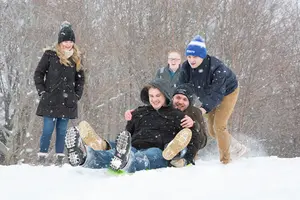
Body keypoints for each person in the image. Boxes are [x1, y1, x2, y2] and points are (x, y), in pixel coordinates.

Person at [65, 79, 200, 172]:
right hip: (134, 146)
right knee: (114, 154)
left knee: (145, 158)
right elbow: (127, 134)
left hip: (157, 149)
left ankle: (126, 162)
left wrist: (187, 158)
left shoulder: (176, 115)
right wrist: (130, 121)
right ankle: (85, 157)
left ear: (165, 96)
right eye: (151, 96)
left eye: (158, 95)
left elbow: (193, 139)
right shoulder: (140, 111)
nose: (154, 99)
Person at [177, 35, 247, 164]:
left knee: (219, 126)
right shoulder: (186, 67)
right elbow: (182, 88)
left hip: (227, 93)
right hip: (205, 93)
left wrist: (202, 109)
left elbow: (217, 94)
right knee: (212, 131)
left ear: (203, 56)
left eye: (195, 57)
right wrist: (179, 101)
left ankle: (226, 161)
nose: (191, 60)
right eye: (189, 56)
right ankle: (238, 147)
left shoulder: (217, 68)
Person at [34, 21, 85, 166]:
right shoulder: (49, 55)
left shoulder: (77, 58)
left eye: (70, 41)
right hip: (50, 100)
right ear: (60, 41)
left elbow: (80, 79)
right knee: (47, 130)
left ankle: (59, 160)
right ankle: (42, 158)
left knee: (62, 132)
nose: (68, 44)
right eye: (65, 41)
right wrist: (42, 91)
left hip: (68, 102)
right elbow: (38, 73)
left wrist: (76, 95)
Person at [125, 83, 208, 167]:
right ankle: (170, 148)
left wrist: (193, 124)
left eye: (184, 99)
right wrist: (134, 114)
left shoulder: (193, 112)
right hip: (169, 140)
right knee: (168, 142)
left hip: (191, 141)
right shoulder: (167, 111)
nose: (180, 102)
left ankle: (178, 155)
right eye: (178, 98)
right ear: (172, 98)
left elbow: (199, 138)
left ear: (189, 103)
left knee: (186, 139)